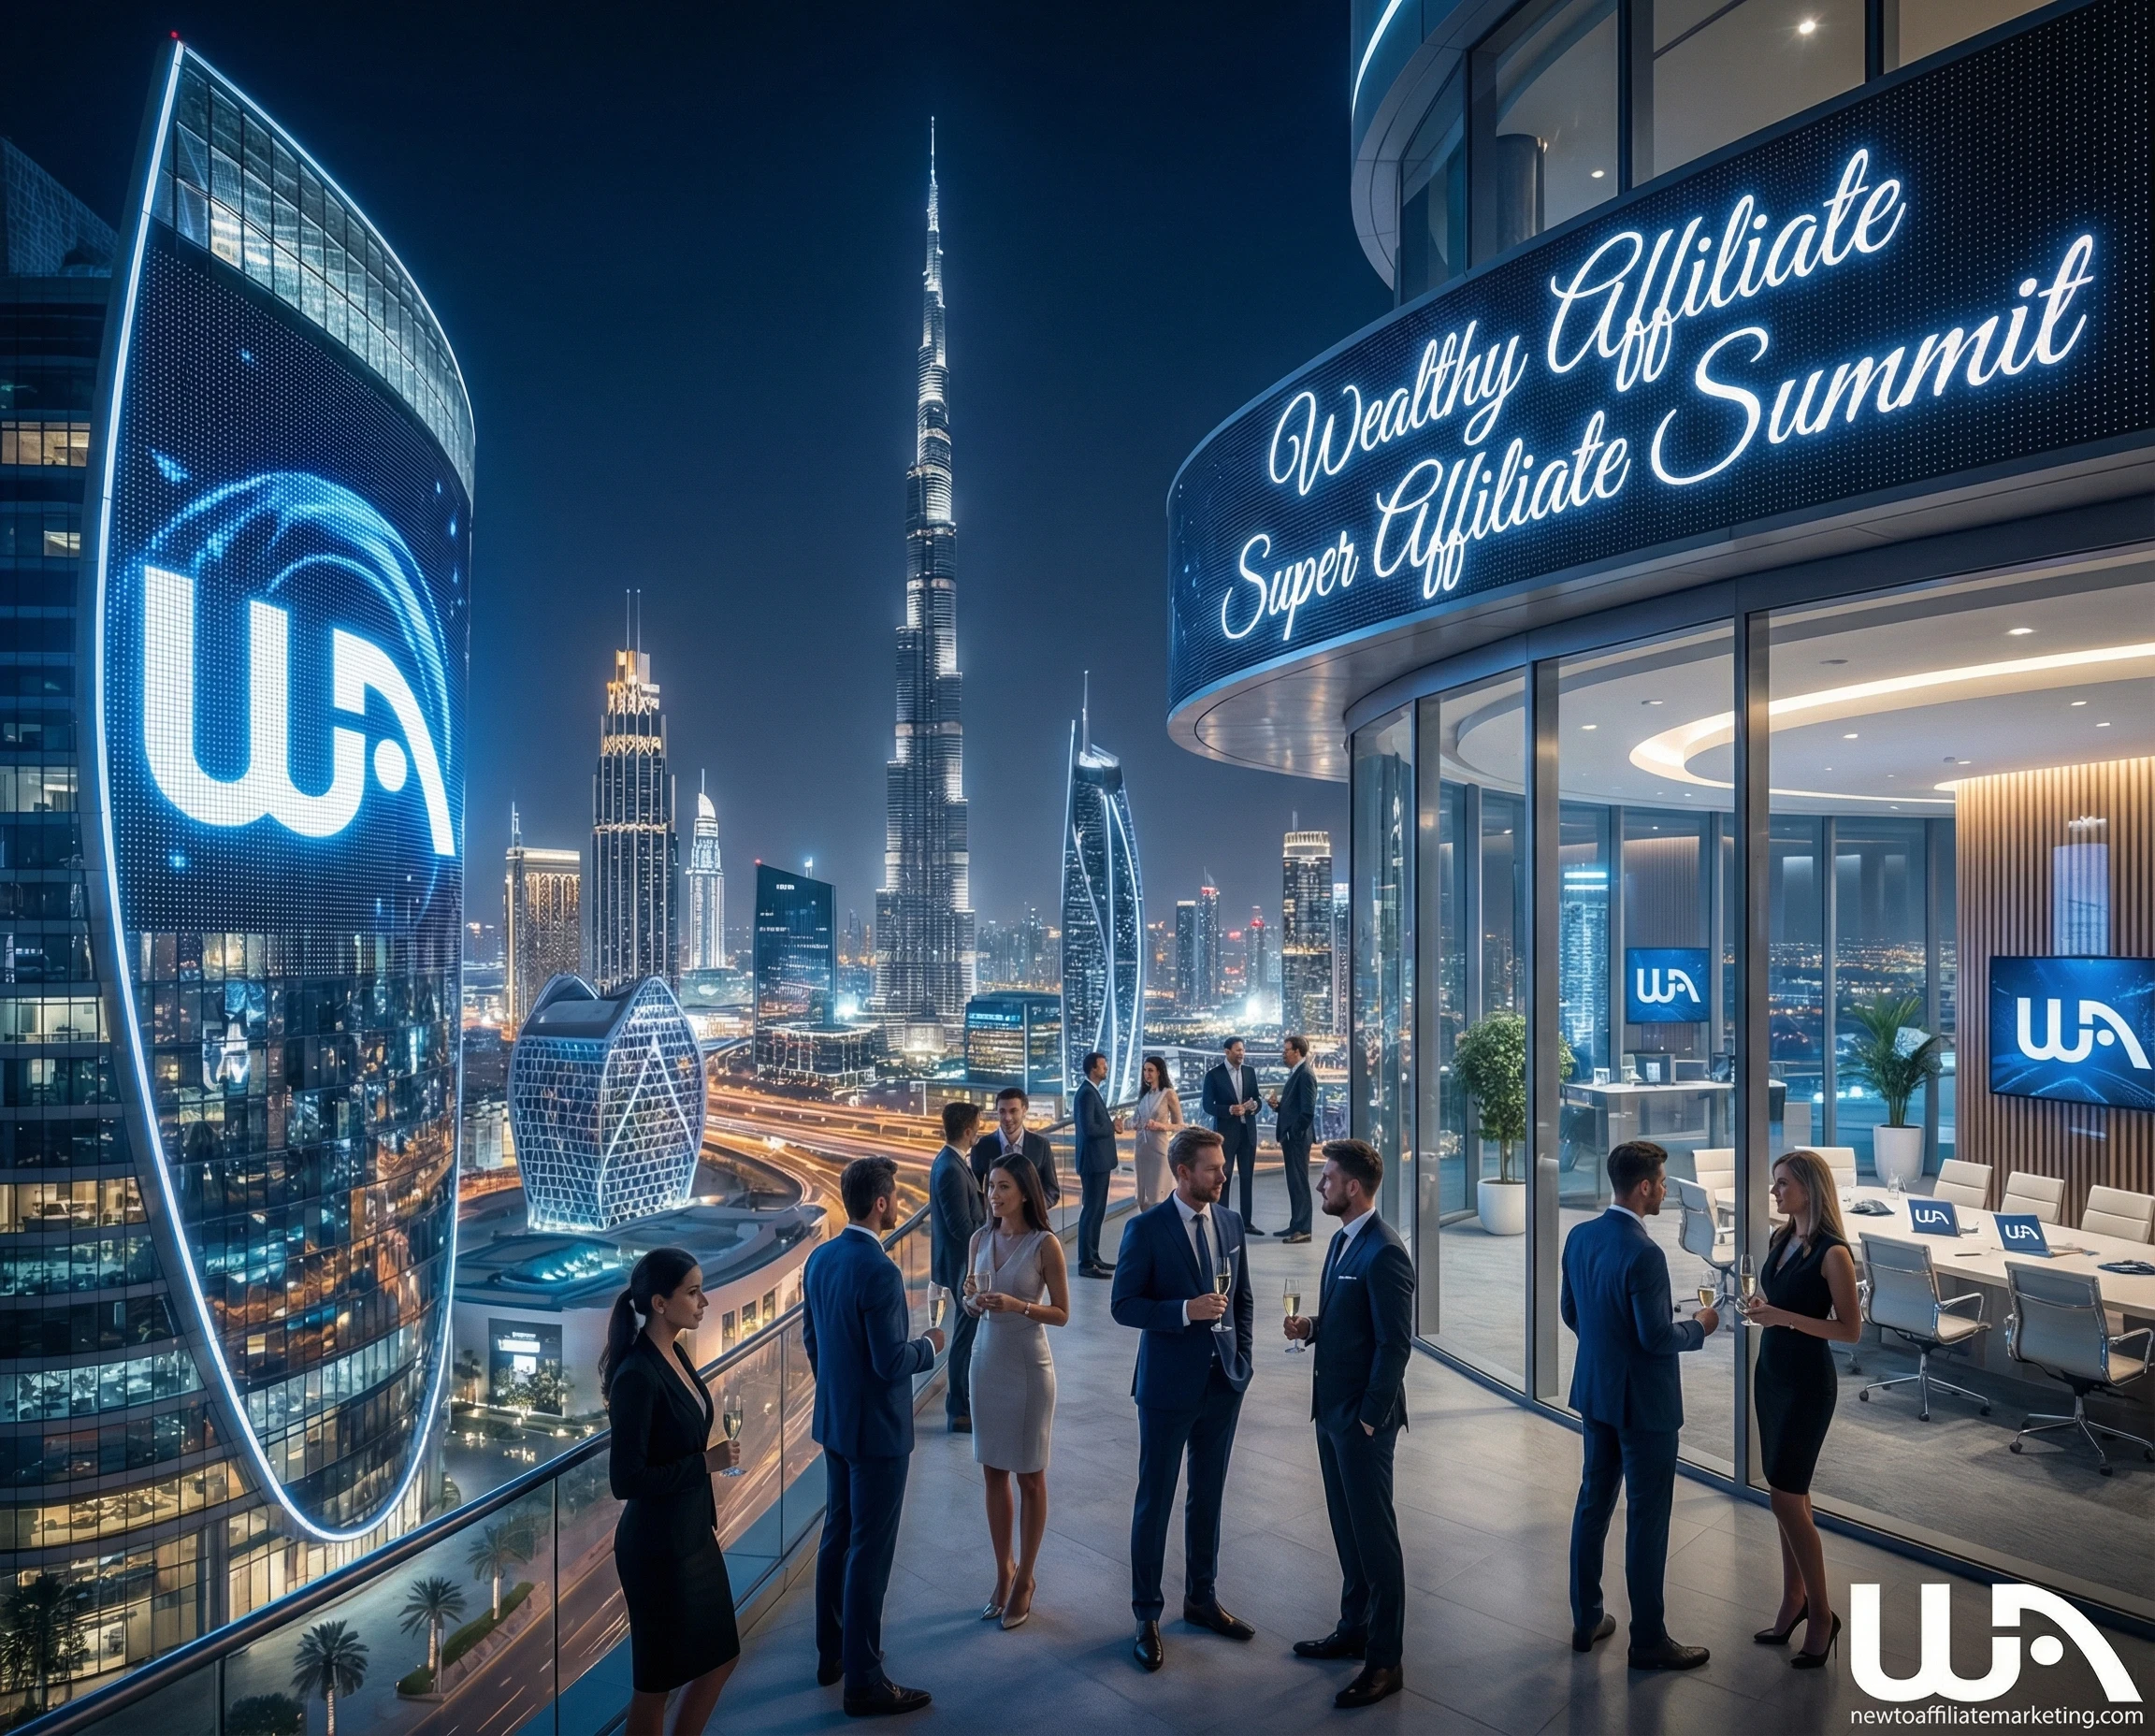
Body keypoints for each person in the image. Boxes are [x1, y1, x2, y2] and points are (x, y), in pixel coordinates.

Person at [1561, 1140, 1717, 1671]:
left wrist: (1609, 1351)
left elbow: (1571, 1313)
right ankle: (1647, 1639)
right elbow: (1655, 1338)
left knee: (1593, 1503)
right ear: (1645, 1186)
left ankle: (1586, 1619)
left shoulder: (1580, 1237)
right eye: (1663, 1181)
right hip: (1645, 1406)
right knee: (1648, 1520)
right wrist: (1700, 1326)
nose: (1667, 1189)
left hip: (1596, 1393)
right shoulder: (1645, 1254)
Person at [1110, 1125, 1255, 1674]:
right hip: (1168, 1387)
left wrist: (1244, 1362)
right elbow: (1124, 1305)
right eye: (1214, 1168)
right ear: (1184, 1172)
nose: (1224, 1174)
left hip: (1224, 1384)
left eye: (1222, 1166)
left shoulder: (1231, 1221)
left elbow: (1242, 1301)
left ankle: (1201, 1599)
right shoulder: (1145, 1230)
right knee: (1156, 1500)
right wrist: (1182, 1311)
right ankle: (1146, 1614)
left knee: (1209, 1497)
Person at [803, 1157, 945, 1717]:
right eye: (892, 1198)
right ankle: (864, 1678)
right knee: (871, 1549)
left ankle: (830, 1654)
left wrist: (840, 1392)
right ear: (883, 1203)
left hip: (836, 1422)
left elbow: (814, 1340)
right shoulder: (880, 1272)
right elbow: (891, 1361)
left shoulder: (821, 1259)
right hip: (879, 1434)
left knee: (837, 1536)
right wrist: (931, 1344)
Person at [1284, 1140, 1413, 1709]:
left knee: (1376, 1540)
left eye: (1328, 1178)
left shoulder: (1385, 1252)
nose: (1321, 1186)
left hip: (1359, 1419)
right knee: (1346, 1529)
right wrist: (1311, 1326)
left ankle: (1386, 1660)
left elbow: (1395, 1344)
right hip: (1329, 1411)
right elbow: (1347, 1321)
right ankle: (1353, 1628)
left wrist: (1368, 1418)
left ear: (1353, 1187)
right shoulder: (1341, 1241)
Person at [602, 1247, 743, 1736]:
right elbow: (626, 1480)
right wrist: (704, 1463)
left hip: (691, 1537)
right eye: (693, 1291)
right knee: (656, 1683)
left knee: (721, 1657)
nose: (704, 1301)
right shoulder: (637, 1375)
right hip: (657, 1549)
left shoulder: (675, 1351)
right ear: (659, 1304)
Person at [1746, 1148, 1860, 1669]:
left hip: (1808, 1385)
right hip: (1772, 1374)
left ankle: (1821, 1613)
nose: (1775, 1192)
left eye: (1783, 1183)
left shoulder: (1834, 1254)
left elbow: (1849, 1330)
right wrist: (1765, 1312)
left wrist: (1783, 1317)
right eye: (1775, 1183)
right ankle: (1794, 1600)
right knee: (1788, 1494)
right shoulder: (1781, 1238)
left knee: (1786, 1500)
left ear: (1810, 1190)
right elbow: (1775, 1305)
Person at [962, 1152, 1070, 1630]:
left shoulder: (1046, 1244)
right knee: (992, 1473)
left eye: (1002, 1186)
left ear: (1024, 1191)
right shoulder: (979, 1239)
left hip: (1028, 1366)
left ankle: (1026, 1577)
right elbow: (970, 1302)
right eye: (989, 1186)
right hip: (985, 1360)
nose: (993, 1195)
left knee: (1030, 1476)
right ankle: (1002, 1571)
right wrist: (971, 1299)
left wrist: (1019, 1305)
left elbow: (1062, 1313)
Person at [930, 1101, 987, 1435]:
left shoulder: (950, 1161)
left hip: (959, 1261)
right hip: (961, 1264)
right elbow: (958, 1225)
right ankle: (959, 1409)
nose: (979, 1131)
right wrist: (986, 1240)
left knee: (967, 1335)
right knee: (964, 1338)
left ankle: (963, 1405)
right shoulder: (950, 1168)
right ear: (968, 1131)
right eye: (978, 1126)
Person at [1201, 1038, 1264, 1231]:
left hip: (1248, 1134)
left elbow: (1257, 1099)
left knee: (1247, 1178)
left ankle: (1246, 1223)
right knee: (1223, 1178)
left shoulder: (1249, 1072)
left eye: (1243, 1050)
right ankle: (1222, 1222)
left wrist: (1254, 1106)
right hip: (1226, 1135)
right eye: (1237, 1050)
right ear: (1226, 1052)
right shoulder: (1214, 1075)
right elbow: (1207, 1106)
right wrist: (1229, 1109)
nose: (1241, 1054)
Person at [970, 1087, 1060, 1207]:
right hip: (996, 1221)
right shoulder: (981, 1146)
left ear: (1024, 1110)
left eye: (1013, 1111)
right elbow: (975, 1193)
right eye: (1002, 1111)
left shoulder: (1041, 1145)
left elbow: (1052, 1190)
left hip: (1030, 1222)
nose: (1007, 1118)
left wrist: (1035, 1209)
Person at [1267, 1035, 1317, 1243]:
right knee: (1294, 1183)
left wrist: (1293, 1133)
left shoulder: (1305, 1074)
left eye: (1286, 1050)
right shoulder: (1297, 1072)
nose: (1283, 1054)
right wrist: (1278, 1107)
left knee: (1299, 1183)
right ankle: (1296, 1225)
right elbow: (1296, 1106)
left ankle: (1303, 1229)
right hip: (1292, 1138)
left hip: (1296, 1139)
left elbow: (1307, 1112)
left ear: (1297, 1052)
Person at [1074, 1049, 1119, 1278]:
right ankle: (1086, 1263)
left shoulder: (1091, 1092)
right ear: (1093, 1068)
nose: (1106, 1068)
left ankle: (1094, 1256)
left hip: (1098, 1161)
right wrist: (1112, 1126)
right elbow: (1089, 1129)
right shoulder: (1086, 1095)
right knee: (1091, 1211)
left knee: (1096, 1210)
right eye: (1103, 1065)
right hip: (1093, 1162)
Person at [1132, 1055, 1182, 1211]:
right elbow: (1136, 1120)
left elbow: (1180, 1125)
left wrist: (1160, 1126)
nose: (1147, 1074)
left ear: (1159, 1072)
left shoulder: (1168, 1094)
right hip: (1141, 1149)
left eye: (1150, 1070)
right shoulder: (1144, 1096)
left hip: (1159, 1149)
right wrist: (1135, 1124)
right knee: (1143, 1196)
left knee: (1159, 1194)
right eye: (1145, 1070)